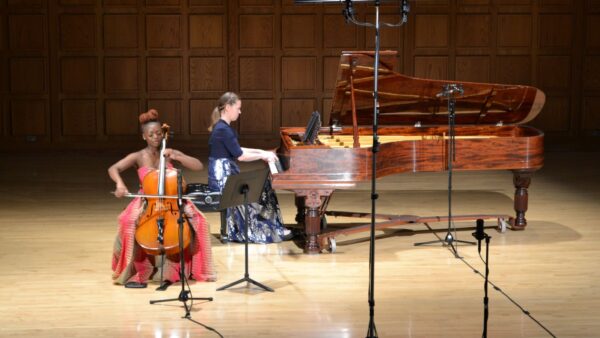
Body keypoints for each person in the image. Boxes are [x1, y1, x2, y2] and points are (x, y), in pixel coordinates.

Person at [108, 109, 216, 289]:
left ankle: (185, 268)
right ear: (144, 136)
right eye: (151, 134)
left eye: (158, 133)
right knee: (128, 222)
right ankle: (136, 270)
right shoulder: (138, 156)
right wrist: (120, 184)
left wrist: (177, 155)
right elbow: (113, 169)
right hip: (147, 199)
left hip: (172, 199)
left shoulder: (169, 152)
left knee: (201, 222)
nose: (156, 137)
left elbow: (198, 166)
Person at [207, 92, 292, 243]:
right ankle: (272, 229)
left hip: (226, 174)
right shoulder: (222, 129)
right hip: (223, 180)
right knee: (262, 188)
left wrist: (262, 152)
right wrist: (262, 156)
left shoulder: (223, 128)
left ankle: (275, 226)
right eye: (238, 108)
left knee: (264, 186)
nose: (240, 112)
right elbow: (241, 156)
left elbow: (238, 149)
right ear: (227, 107)